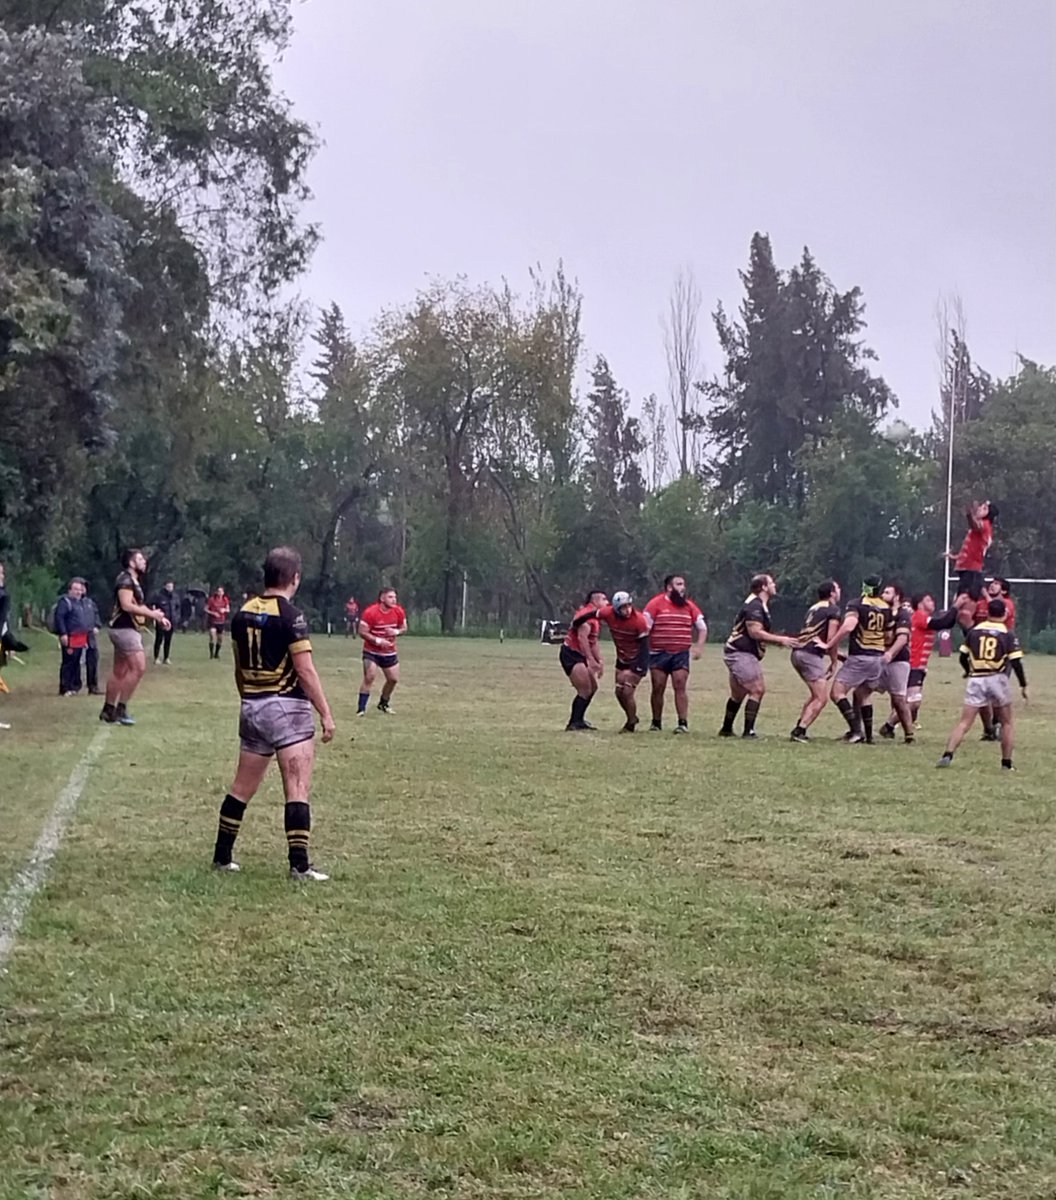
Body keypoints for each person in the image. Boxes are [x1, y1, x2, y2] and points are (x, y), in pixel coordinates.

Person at [211, 545, 335, 880]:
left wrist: (247, 698)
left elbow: (239, 665)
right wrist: (325, 712)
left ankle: (222, 856)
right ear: (295, 578)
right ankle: (299, 865)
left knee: (242, 786)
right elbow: (305, 671)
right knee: (297, 787)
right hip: (286, 707)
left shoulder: (242, 613)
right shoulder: (291, 614)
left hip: (252, 705)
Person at [936, 598, 1026, 771]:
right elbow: (1016, 662)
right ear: (1005, 613)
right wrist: (1023, 684)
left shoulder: (974, 631)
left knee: (964, 722)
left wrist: (967, 670)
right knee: (1007, 723)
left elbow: (963, 656)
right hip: (997, 678)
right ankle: (1006, 764)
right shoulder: (1007, 633)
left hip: (976, 678)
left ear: (987, 613)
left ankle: (947, 754)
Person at [719, 573, 798, 739]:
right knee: (757, 689)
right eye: (771, 583)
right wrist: (780, 639)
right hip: (740, 652)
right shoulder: (754, 606)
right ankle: (749, 731)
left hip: (738, 651)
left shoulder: (759, 604)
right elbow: (754, 632)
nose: (774, 585)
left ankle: (726, 729)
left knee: (739, 693)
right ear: (763, 587)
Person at [100, 548, 171, 726]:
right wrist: (153, 615)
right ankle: (120, 709)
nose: (144, 562)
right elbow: (126, 605)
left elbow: (137, 606)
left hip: (124, 629)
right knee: (139, 668)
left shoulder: (133, 581)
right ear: (131, 562)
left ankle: (108, 710)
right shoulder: (125, 580)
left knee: (120, 671)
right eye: (140, 559)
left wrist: (157, 616)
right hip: (124, 630)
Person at [818, 575, 892, 743]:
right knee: (863, 695)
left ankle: (856, 731)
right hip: (878, 658)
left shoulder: (856, 604)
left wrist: (829, 643)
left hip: (861, 656)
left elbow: (849, 626)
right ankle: (869, 737)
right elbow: (888, 636)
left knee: (837, 693)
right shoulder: (886, 607)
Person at [571, 590, 650, 731]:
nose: (627, 610)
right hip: (622, 659)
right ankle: (631, 716)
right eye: (623, 608)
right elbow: (591, 615)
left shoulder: (639, 620)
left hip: (636, 660)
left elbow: (645, 646)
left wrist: (640, 667)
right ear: (616, 608)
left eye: (629, 606)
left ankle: (631, 723)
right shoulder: (608, 613)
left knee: (627, 692)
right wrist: (577, 623)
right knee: (619, 693)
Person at [643, 575, 707, 734]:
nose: (683, 587)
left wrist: (699, 647)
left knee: (680, 685)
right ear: (669, 587)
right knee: (658, 687)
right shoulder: (655, 604)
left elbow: (702, 627)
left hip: (680, 653)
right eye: (679, 584)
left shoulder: (689, 606)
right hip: (658, 653)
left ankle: (682, 723)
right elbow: (645, 628)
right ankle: (656, 722)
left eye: (683, 584)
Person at [789, 580, 842, 743]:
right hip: (810, 655)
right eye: (838, 588)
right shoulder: (833, 610)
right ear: (832, 593)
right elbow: (830, 639)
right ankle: (800, 731)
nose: (840, 591)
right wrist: (834, 661)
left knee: (815, 695)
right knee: (821, 698)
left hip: (798, 653)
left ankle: (800, 726)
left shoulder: (814, 608)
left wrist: (840, 656)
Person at [880, 592, 935, 737]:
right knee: (911, 701)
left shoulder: (916, 619)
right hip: (910, 665)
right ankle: (889, 726)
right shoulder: (917, 618)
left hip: (918, 666)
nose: (933, 602)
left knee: (907, 701)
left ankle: (894, 726)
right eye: (928, 599)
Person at [559, 589, 608, 730]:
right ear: (595, 601)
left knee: (592, 688)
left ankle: (579, 720)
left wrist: (600, 661)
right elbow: (582, 638)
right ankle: (573, 722)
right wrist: (590, 660)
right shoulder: (586, 616)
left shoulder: (596, 618)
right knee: (585, 689)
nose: (607, 603)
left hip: (581, 654)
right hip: (571, 653)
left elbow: (593, 641)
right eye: (604, 599)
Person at [357, 586, 408, 716]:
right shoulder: (370, 612)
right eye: (390, 597)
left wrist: (396, 631)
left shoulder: (398, 611)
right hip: (372, 651)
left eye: (395, 597)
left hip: (389, 652)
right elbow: (362, 632)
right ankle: (361, 709)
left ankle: (383, 703)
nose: (394, 600)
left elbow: (404, 628)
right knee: (370, 676)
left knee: (393, 679)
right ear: (382, 598)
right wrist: (378, 641)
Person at [873, 584, 915, 743]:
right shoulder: (881, 612)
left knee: (898, 699)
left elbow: (902, 638)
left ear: (897, 596)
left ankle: (909, 734)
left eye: (887, 592)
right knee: (861, 692)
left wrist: (890, 653)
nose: (883, 595)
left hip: (898, 661)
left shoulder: (903, 614)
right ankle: (858, 730)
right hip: (878, 659)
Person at [945, 500, 997, 602]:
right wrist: (954, 557)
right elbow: (972, 549)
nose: (980, 508)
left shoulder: (985, 525)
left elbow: (975, 525)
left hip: (971, 568)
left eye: (984, 508)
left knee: (964, 598)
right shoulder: (979, 530)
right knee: (966, 594)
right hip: (968, 568)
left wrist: (970, 515)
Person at [0, 560, 30, 712]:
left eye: (2, 573)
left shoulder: (4, 595)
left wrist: (8, 642)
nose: (2, 576)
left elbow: (3, 620)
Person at [55, 577, 91, 696]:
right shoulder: (65, 602)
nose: (78, 592)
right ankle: (65, 687)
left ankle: (74, 686)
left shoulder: (81, 603)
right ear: (69, 590)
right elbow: (60, 618)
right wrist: (63, 634)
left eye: (80, 590)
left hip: (81, 638)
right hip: (70, 637)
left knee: (77, 662)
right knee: (68, 662)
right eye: (75, 589)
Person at [82, 583, 103, 695]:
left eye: (83, 587)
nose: (81, 590)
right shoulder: (69, 602)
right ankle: (71, 686)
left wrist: (97, 625)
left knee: (93, 660)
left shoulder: (90, 603)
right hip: (76, 636)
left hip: (90, 636)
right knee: (76, 661)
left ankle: (93, 686)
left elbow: (96, 615)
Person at [152, 579, 179, 665]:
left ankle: (166, 658)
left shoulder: (175, 596)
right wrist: (157, 617)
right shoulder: (159, 595)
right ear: (165, 586)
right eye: (168, 586)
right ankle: (156, 658)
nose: (170, 588)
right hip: (161, 621)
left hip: (171, 621)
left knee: (168, 640)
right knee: (159, 640)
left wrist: (176, 617)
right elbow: (153, 606)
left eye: (171, 586)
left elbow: (178, 607)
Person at [206, 586, 231, 659]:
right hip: (213, 621)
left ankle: (216, 654)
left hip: (221, 621)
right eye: (218, 591)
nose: (219, 593)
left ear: (223, 593)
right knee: (212, 636)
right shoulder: (212, 599)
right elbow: (206, 609)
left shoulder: (225, 599)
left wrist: (224, 610)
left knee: (220, 639)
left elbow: (228, 609)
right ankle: (211, 654)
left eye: (221, 591)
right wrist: (213, 613)